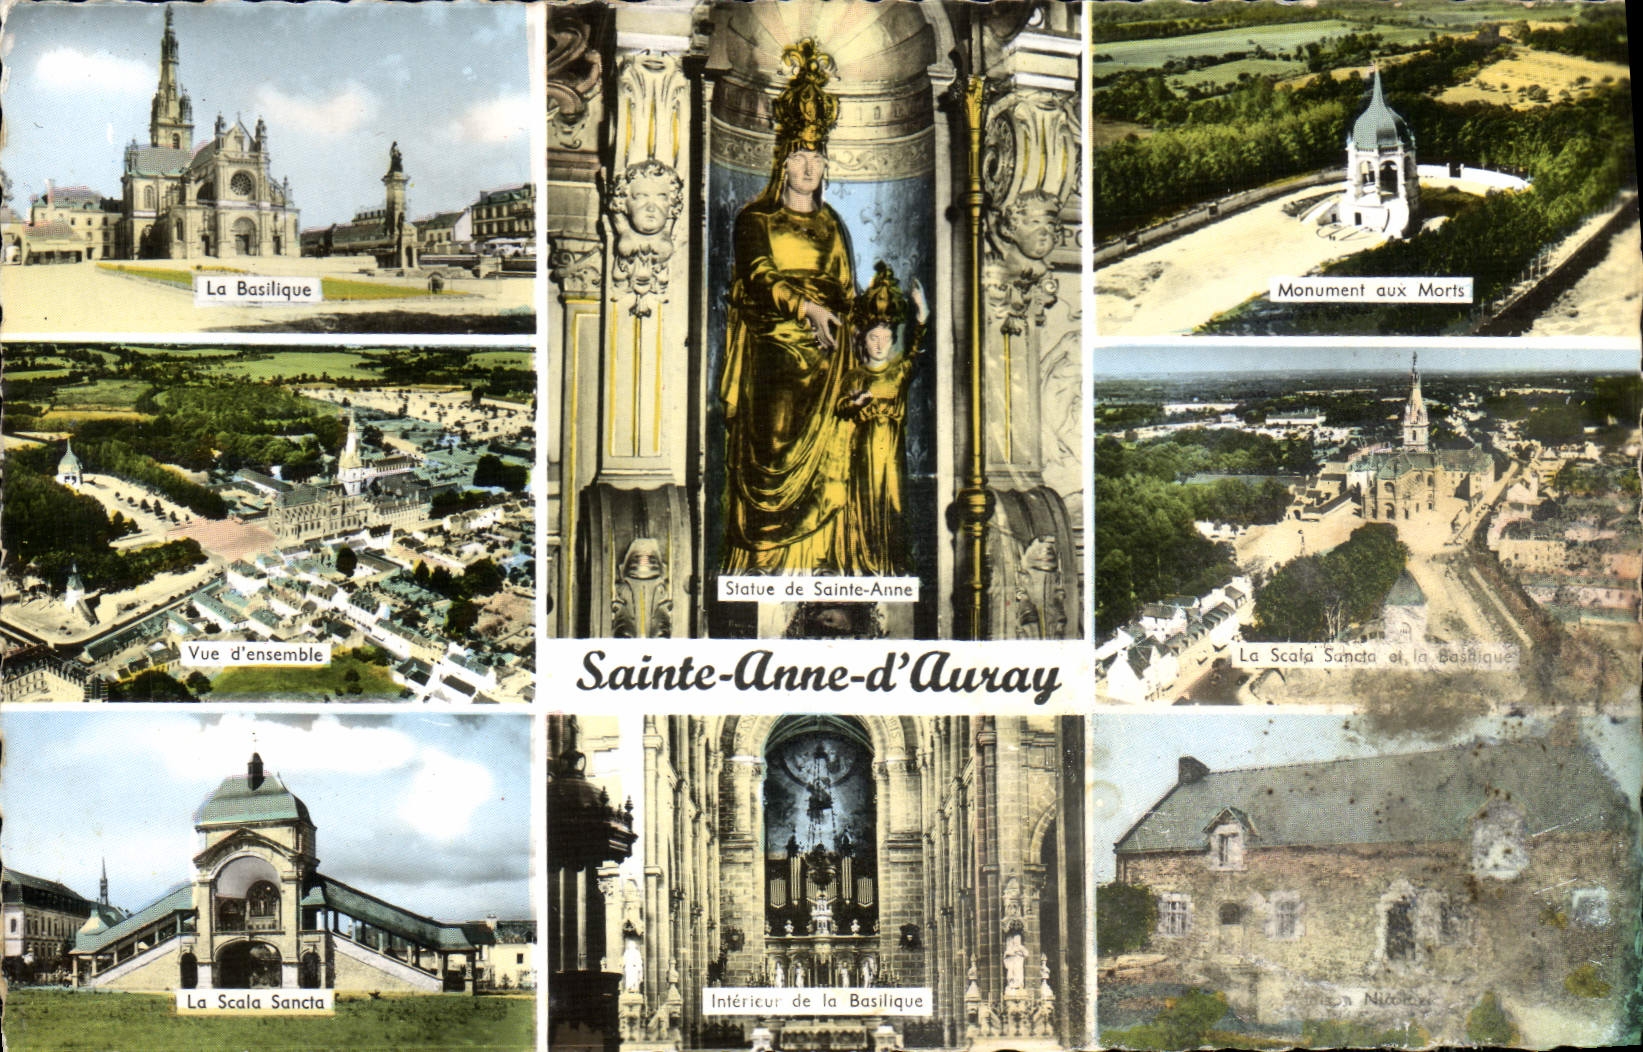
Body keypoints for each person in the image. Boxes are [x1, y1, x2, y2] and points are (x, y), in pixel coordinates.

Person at [719, 39, 856, 575]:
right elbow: (759, 276)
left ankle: (820, 558)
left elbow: (845, 290)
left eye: (815, 157)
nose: (807, 165)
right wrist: (808, 311)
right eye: (798, 156)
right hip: (775, 346)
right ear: (783, 162)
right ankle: (766, 561)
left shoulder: (833, 226)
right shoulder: (755, 220)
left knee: (837, 450)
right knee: (772, 447)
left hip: (830, 351)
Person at [834, 262, 925, 575]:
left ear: (891, 340)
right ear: (864, 340)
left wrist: (921, 314)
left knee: (894, 505)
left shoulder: (898, 372)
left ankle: (893, 567)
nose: (879, 343)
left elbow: (916, 350)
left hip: (893, 453)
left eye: (885, 338)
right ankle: (865, 566)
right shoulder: (856, 375)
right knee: (865, 504)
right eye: (874, 337)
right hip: (864, 453)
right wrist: (857, 402)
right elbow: (841, 407)